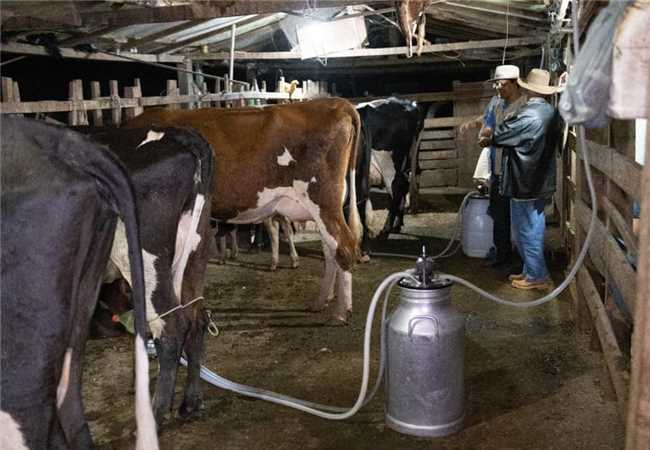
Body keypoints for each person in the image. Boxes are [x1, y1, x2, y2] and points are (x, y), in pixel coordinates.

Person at [482, 68, 561, 290]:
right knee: (530, 227)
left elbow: (501, 135)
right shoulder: (550, 111)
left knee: (528, 229)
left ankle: (536, 276)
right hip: (538, 178)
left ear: (526, 87)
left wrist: (489, 135)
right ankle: (530, 271)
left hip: (525, 180)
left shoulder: (530, 114)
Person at [473, 65, 526, 269]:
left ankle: (521, 259)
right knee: (498, 213)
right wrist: (484, 134)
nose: (498, 88)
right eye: (496, 84)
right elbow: (488, 125)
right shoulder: (496, 102)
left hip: (516, 170)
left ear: (515, 83)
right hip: (497, 168)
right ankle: (502, 253)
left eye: (502, 85)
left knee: (519, 217)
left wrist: (493, 139)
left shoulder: (524, 107)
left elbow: (517, 137)